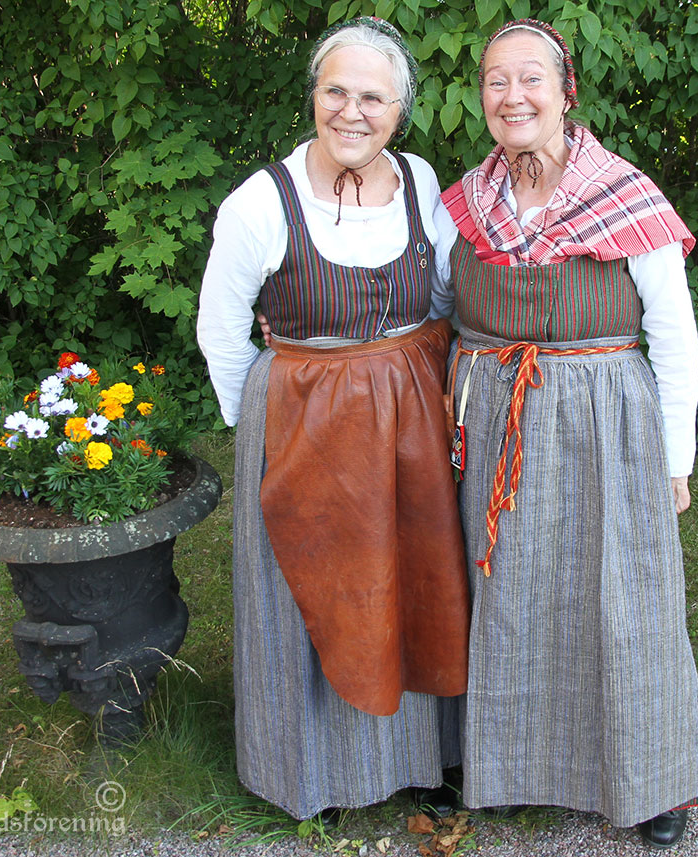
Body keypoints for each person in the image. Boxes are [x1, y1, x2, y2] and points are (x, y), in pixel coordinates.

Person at [196, 17, 469, 821]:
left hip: (409, 418)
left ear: (401, 109)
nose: (352, 111)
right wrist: (268, 426)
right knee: (318, 586)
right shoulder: (262, 201)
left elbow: (447, 293)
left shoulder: (420, 182)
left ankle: (423, 757)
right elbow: (220, 328)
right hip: (306, 424)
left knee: (414, 578)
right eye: (335, 91)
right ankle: (317, 774)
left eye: (373, 97)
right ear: (314, 97)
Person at [441, 19, 698, 849]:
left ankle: (649, 777)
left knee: (624, 596)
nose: (511, 95)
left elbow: (675, 333)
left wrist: (674, 457)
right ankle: (508, 765)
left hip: (605, 418)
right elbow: (441, 312)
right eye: (494, 80)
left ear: (565, 91)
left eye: (529, 79)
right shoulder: (466, 202)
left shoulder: (626, 195)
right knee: (508, 594)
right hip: (495, 412)